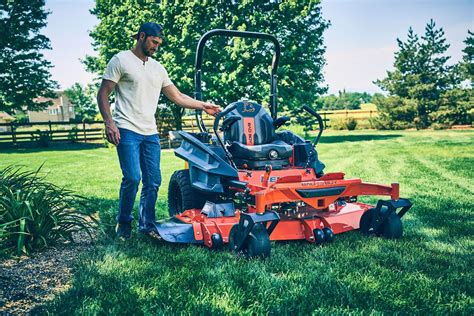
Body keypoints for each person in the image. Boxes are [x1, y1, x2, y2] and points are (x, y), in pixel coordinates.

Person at [97, 22, 221, 240]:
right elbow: (103, 93)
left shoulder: (158, 68)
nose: (156, 46)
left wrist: (203, 105)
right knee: (133, 178)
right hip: (126, 129)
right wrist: (109, 122)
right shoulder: (120, 60)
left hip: (150, 132)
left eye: (159, 43)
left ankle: (147, 225)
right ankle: (124, 223)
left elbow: (178, 96)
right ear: (142, 36)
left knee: (153, 181)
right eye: (154, 42)